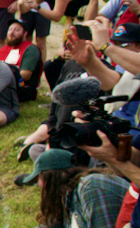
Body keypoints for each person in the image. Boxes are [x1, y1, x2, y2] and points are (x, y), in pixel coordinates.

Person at [15, 27, 121, 162]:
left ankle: (50, 161)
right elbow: (55, 104)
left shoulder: (106, 71)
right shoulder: (69, 66)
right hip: (60, 134)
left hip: (81, 138)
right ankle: (41, 151)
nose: (72, 47)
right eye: (69, 43)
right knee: (38, 151)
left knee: (56, 158)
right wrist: (52, 137)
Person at [0, 19, 42, 102]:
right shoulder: (5, 48)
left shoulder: (30, 49)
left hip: (22, 88)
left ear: (25, 33)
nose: (12, 33)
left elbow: (25, 75)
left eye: (17, 30)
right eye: (10, 29)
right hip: (1, 84)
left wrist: (0, 80)